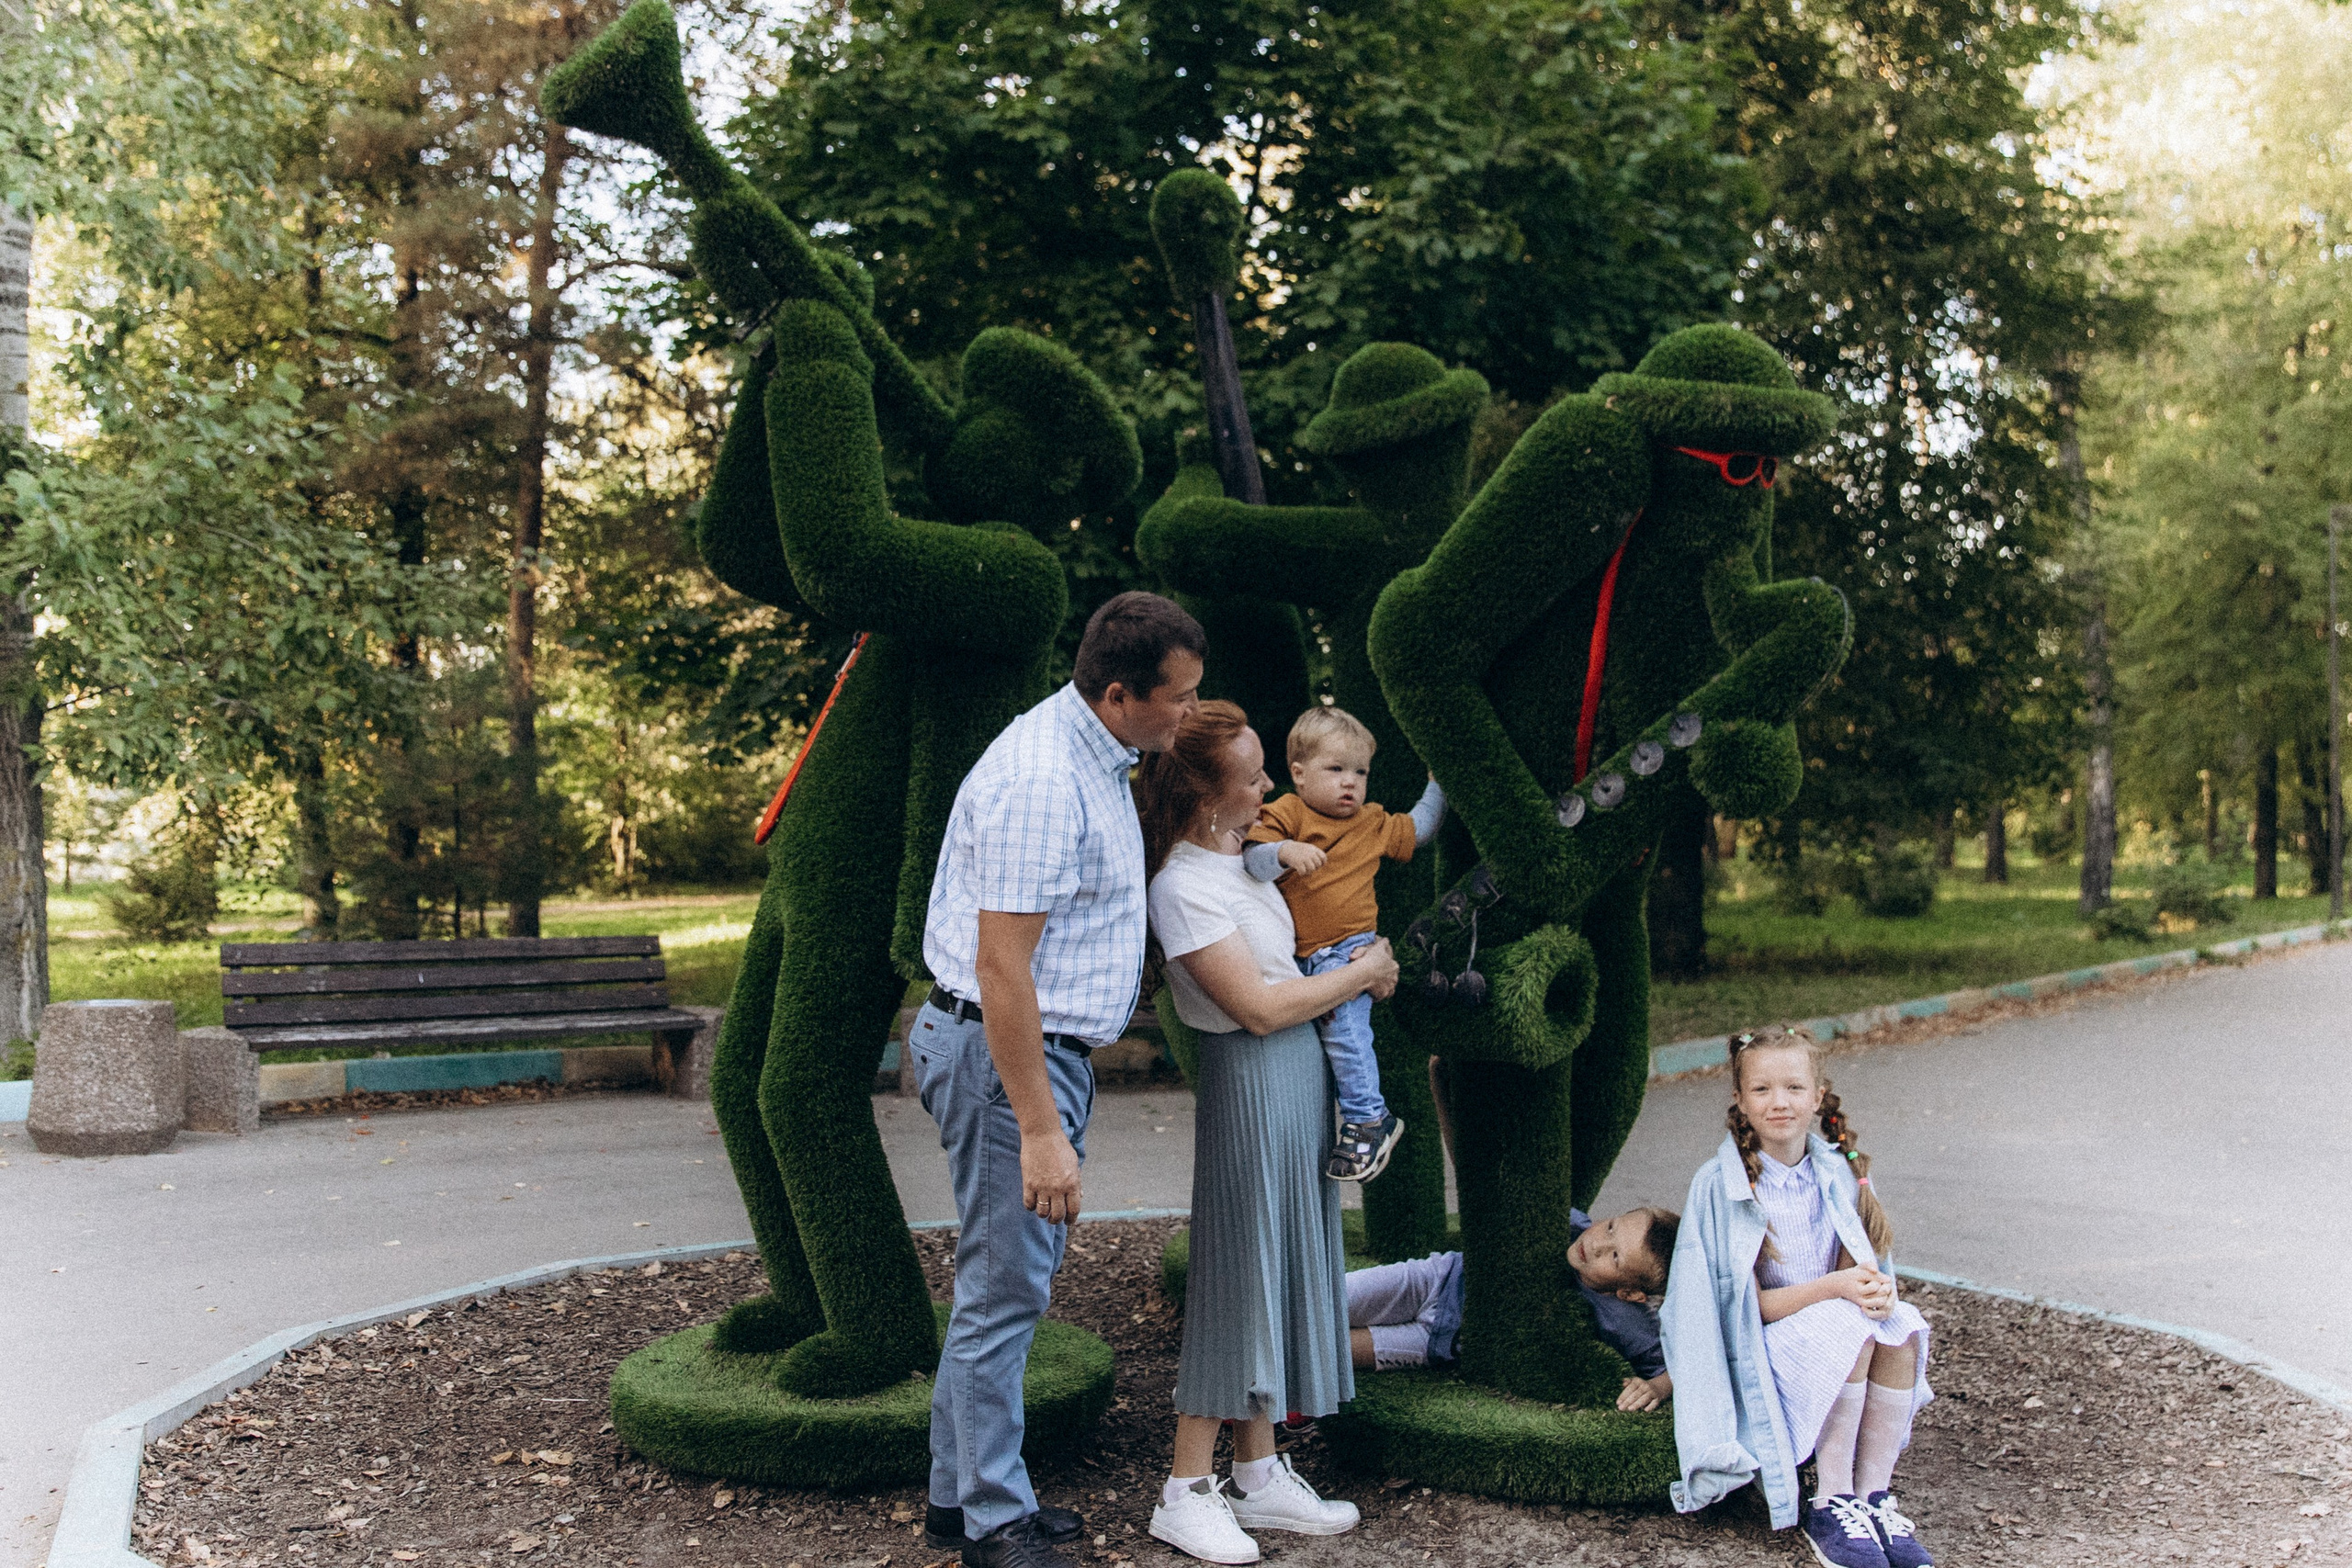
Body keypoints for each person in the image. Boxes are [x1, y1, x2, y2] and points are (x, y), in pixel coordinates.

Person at [913, 591, 1204, 1568]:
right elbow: (1002, 969)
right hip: (1012, 1067)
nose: (1187, 715)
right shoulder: (1046, 779)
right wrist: (1040, 1128)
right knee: (1004, 1298)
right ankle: (994, 1524)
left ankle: (956, 1499)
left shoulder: (1092, 748)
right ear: (1120, 693)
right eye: (1178, 698)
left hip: (1022, 1061)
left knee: (998, 1287)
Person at [1136, 701, 1400, 1566]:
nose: (1267, 788)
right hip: (1252, 1083)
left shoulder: (1246, 861)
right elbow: (1255, 1006)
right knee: (1238, 1272)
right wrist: (1361, 971)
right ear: (1209, 793)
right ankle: (1184, 1489)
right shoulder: (1182, 883)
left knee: (1282, 1266)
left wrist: (1357, 964)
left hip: (1296, 1081)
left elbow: (1301, 960)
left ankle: (1257, 1470)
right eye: (1251, 776)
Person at [1660, 1025, 1936, 1568]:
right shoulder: (1722, 1185)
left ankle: (1875, 1497)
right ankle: (1832, 1499)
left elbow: (1855, 1266)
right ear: (1740, 1101)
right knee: (1848, 1330)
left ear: (1817, 1096)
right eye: (1761, 1090)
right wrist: (1838, 1291)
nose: (1778, 1102)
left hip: (1827, 1326)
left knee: (1900, 1326)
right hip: (1766, 1344)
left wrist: (1872, 1290)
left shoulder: (1840, 1171)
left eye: (1793, 1088)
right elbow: (1748, 1309)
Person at [1240, 705, 1444, 1181]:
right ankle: (1354, 1121)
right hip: (1299, 959)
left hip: (1349, 950)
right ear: (1299, 773)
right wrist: (1284, 852)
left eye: (1360, 772)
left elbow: (1420, 828)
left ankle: (1369, 1121)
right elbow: (1252, 861)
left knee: (1348, 1039)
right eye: (1336, 770)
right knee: (1320, 1050)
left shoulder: (1372, 821)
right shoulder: (1287, 812)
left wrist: (1440, 783)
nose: (1350, 782)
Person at [1345, 1205, 1679, 1412]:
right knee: (1334, 1299)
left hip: (1439, 1340)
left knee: (1333, 1350)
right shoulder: (1567, 1224)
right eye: (1610, 1227)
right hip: (1435, 1279)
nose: (1595, 1245)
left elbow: (1675, 1369)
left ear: (1630, 1293)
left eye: (1615, 1256)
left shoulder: (1628, 1319)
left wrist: (1655, 1387)